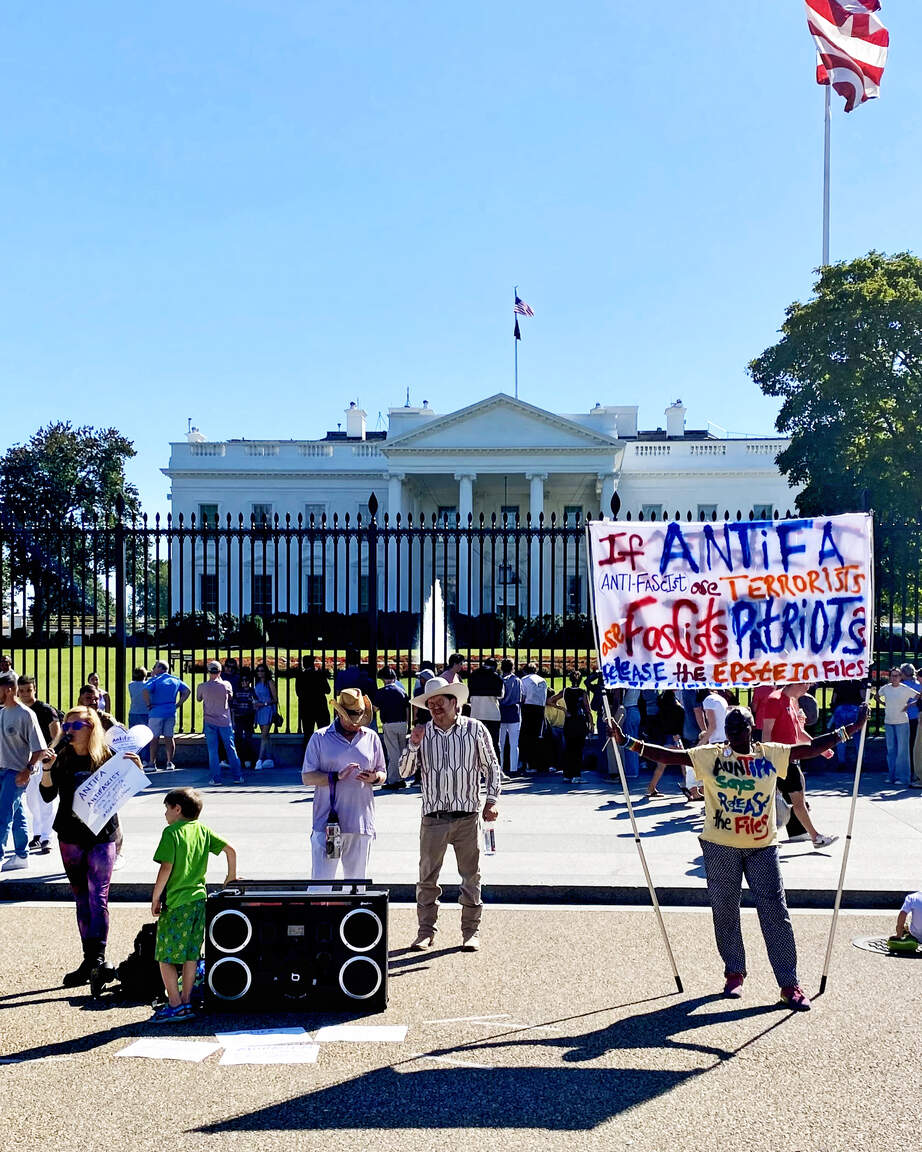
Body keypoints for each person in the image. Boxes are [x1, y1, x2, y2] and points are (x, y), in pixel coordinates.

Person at [608, 702, 868, 1010]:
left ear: (751, 727)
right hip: (720, 846)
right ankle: (734, 972)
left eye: (739, 730)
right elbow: (669, 756)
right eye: (729, 731)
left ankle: (789, 984)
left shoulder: (770, 753)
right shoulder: (712, 756)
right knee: (725, 911)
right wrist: (626, 741)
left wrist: (850, 730)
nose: (733, 735)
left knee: (775, 914)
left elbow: (809, 749)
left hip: (762, 847)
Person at [39, 707, 142, 983]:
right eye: (66, 724)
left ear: (91, 727)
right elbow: (47, 795)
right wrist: (46, 770)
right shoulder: (62, 757)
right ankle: (88, 960)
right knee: (81, 897)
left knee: (98, 897)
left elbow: (124, 788)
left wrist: (134, 769)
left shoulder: (107, 757)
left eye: (76, 725)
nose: (69, 729)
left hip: (101, 835)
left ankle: (98, 958)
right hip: (70, 835)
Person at [399, 675, 500, 952]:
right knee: (427, 878)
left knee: (471, 877)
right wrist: (413, 746)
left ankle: (471, 932)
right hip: (433, 817)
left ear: (455, 703)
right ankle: (425, 931)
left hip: (467, 815)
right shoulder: (421, 734)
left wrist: (491, 801)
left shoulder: (475, 730)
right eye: (430, 704)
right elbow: (404, 772)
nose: (435, 708)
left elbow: (491, 767)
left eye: (439, 702)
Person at [151, 787, 236, 1022]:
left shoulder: (171, 833)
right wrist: (230, 876)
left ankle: (174, 1004)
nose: (166, 814)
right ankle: (187, 1002)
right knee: (191, 954)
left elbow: (166, 867)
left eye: (167, 809)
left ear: (177, 809)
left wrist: (156, 896)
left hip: (177, 902)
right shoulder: (202, 830)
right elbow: (230, 850)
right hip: (199, 901)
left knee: (165, 956)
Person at [301, 688, 386, 882]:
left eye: (361, 718)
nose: (357, 724)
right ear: (340, 714)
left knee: (356, 886)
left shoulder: (371, 737)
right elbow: (307, 778)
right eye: (352, 718)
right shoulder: (320, 738)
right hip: (328, 824)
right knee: (321, 885)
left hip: (361, 823)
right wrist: (335, 776)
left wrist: (374, 778)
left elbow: (383, 773)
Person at [757, 683, 838, 849]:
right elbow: (766, 733)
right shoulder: (775, 700)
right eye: (806, 684)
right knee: (793, 801)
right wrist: (767, 761)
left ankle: (802, 834)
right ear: (796, 682)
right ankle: (814, 837)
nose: (808, 688)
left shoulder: (792, 701)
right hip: (779, 759)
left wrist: (820, 749)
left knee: (793, 801)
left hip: (790, 758)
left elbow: (798, 732)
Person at [0, 672, 52, 872]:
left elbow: (40, 749)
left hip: (16, 773)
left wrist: (28, 770)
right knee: (16, 813)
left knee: (3, 815)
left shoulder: (26, 715)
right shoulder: (3, 713)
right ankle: (21, 855)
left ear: (8, 690)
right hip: (3, 771)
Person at [16, 676, 61, 854]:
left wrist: (48, 752)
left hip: (45, 761)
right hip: (26, 762)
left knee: (46, 799)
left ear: (35, 689)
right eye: (22, 690)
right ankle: (37, 834)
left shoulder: (45, 709)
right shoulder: (17, 711)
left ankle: (46, 837)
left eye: (29, 689)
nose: (26, 693)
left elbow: (57, 733)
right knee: (32, 799)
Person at [197, 660, 244, 785]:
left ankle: (216, 778)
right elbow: (230, 697)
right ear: (220, 671)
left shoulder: (202, 686)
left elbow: (198, 698)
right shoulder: (226, 685)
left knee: (213, 751)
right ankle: (237, 776)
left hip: (209, 720)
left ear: (208, 672)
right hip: (224, 720)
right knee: (231, 749)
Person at [143, 660, 191, 771]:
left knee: (154, 738)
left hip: (156, 712)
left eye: (155, 667)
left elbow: (145, 690)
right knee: (169, 738)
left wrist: (148, 704)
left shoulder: (155, 680)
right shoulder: (175, 680)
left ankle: (152, 763)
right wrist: (179, 703)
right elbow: (187, 691)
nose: (153, 669)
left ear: (159, 668)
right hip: (170, 712)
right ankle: (169, 762)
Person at [875, 668, 920, 787]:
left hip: (902, 722)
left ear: (901, 677)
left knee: (902, 751)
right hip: (889, 722)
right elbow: (876, 696)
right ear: (890, 677)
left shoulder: (905, 689)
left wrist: (909, 705)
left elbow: (919, 696)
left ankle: (903, 777)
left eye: (897, 676)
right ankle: (891, 775)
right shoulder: (886, 688)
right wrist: (883, 704)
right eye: (892, 676)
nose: (894, 678)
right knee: (891, 750)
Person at [549, 670, 592, 783]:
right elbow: (588, 710)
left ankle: (567, 774)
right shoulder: (582, 692)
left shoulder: (565, 691)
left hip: (569, 720)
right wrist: (591, 724)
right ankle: (576, 775)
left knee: (569, 748)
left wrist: (563, 709)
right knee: (578, 749)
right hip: (579, 721)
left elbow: (551, 700)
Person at [374, 667, 410, 789]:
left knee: (393, 753)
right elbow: (407, 709)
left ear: (383, 679)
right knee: (401, 751)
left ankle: (393, 780)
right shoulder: (402, 691)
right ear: (394, 678)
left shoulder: (381, 692)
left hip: (389, 723)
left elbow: (375, 708)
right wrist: (407, 723)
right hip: (402, 723)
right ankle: (401, 777)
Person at [467, 658, 503, 755]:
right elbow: (501, 695)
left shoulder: (473, 675)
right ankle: (497, 765)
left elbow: (468, 693)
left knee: (475, 741)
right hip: (493, 714)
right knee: (494, 742)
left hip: (476, 712)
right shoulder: (496, 677)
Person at [518, 664, 547, 773]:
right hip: (540, 709)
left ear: (525, 671)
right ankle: (536, 763)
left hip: (528, 708)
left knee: (526, 736)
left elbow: (523, 696)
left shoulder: (524, 680)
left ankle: (527, 762)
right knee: (537, 737)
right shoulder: (543, 680)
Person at [295, 654, 332, 741]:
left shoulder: (300, 676)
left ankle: (308, 753)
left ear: (304, 664)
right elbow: (328, 690)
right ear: (313, 663)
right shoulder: (320, 675)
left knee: (308, 735)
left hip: (306, 708)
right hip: (320, 707)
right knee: (324, 734)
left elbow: (298, 693)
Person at [498, 659, 523, 776]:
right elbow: (521, 697)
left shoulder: (500, 680)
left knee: (500, 743)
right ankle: (513, 768)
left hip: (501, 712)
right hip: (514, 711)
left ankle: (500, 767)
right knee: (514, 743)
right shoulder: (517, 680)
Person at [253, 662, 279, 770]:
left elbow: (275, 699)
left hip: (267, 710)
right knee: (266, 736)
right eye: (258, 670)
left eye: (262, 670)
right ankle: (269, 759)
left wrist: (263, 703)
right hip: (259, 711)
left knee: (263, 736)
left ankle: (259, 760)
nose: (260, 672)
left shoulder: (270, 682)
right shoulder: (257, 683)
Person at [230, 670, 258, 772]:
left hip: (248, 717)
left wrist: (255, 721)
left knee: (248, 739)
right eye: (242, 681)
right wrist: (233, 721)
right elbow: (233, 708)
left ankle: (249, 759)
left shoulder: (252, 691)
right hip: (239, 717)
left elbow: (255, 707)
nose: (244, 682)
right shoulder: (237, 691)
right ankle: (240, 759)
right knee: (238, 739)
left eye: (246, 680)